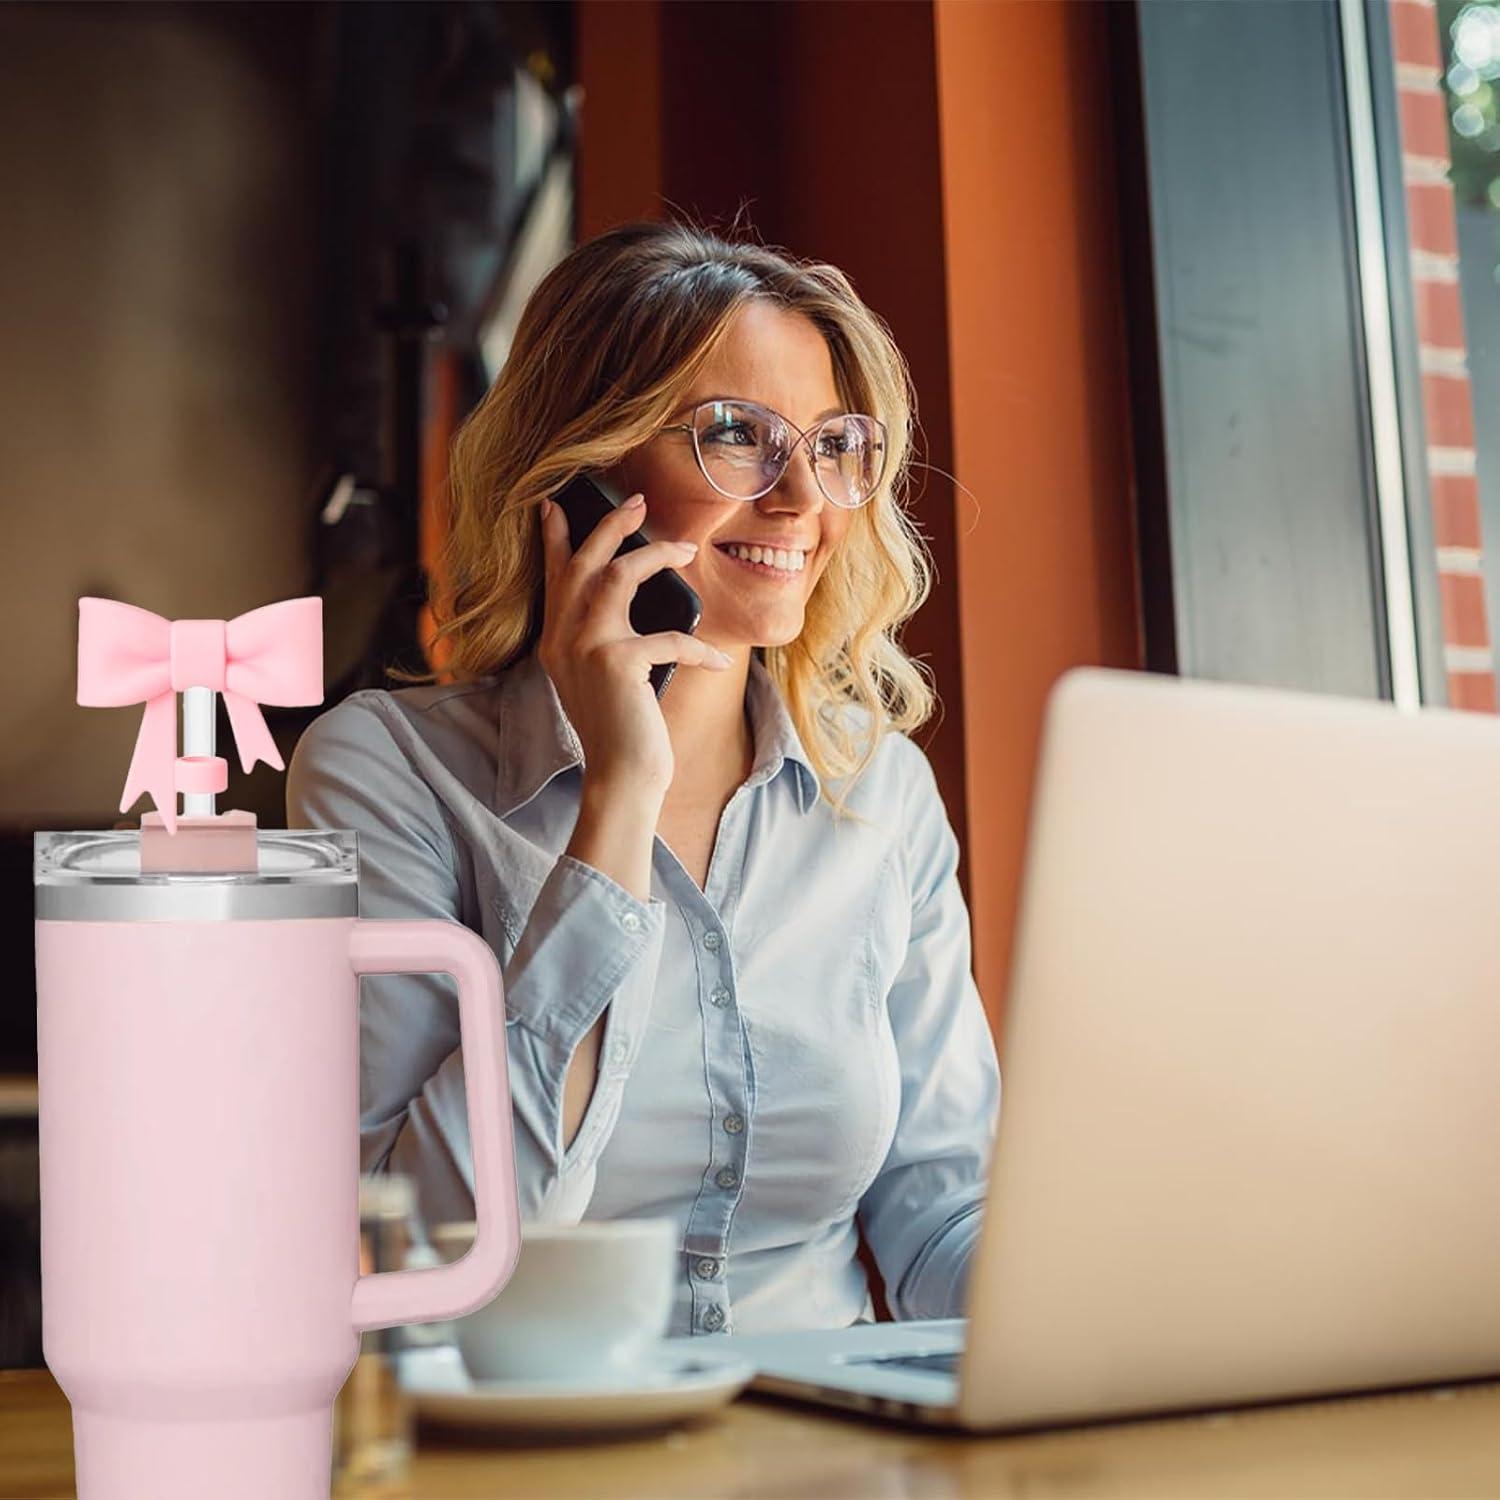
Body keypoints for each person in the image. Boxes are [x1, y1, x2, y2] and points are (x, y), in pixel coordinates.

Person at [286, 218, 1001, 1338]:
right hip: (536, 1419)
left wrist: (1106, 1317)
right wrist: (618, 800)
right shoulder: (387, 771)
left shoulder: (881, 790)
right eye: (736, 436)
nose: (802, 501)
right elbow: (426, 1253)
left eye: (832, 445)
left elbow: (942, 1213)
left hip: (823, 1422)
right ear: (581, 477)